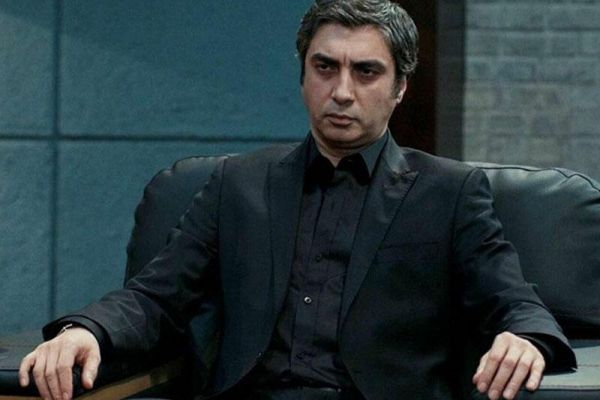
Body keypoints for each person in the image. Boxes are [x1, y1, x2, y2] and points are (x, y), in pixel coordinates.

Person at [19, 1, 576, 399]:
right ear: (303, 74)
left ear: (400, 87)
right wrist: (86, 331)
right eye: (325, 67)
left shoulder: (449, 192)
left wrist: (526, 338)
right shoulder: (236, 183)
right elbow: (155, 297)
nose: (342, 91)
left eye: (366, 72)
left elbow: (514, 300)